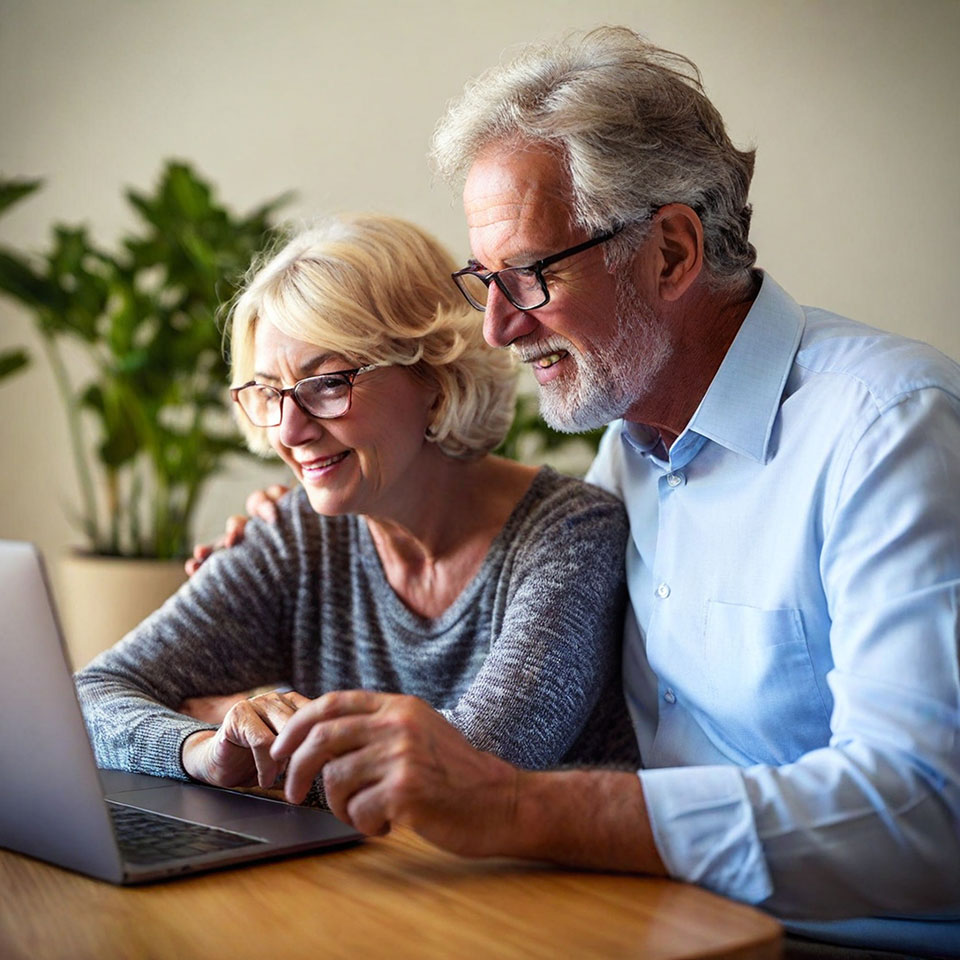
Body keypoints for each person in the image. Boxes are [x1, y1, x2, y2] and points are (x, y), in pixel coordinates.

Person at [254, 27, 959, 959]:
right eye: (485, 280)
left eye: (531, 276)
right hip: (644, 924)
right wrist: (304, 530)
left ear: (669, 252)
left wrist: (513, 806)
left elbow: (926, 810)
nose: (498, 327)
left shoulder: (891, 429)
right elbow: (496, 631)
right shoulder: (626, 455)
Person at [74, 213, 640, 805]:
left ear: (436, 380)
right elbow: (90, 697)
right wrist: (203, 746)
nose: (289, 432)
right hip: (370, 882)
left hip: (546, 892)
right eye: (270, 392)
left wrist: (246, 722)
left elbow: (470, 762)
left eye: (327, 383)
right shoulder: (294, 536)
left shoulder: (573, 535)